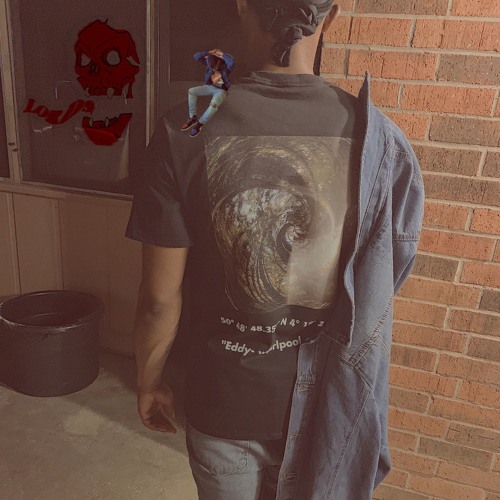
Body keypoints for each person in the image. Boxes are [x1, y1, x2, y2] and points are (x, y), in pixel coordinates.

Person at [126, 0, 424, 499]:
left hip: (224, 402)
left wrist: (149, 380)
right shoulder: (378, 141)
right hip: (328, 405)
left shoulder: (186, 126)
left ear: (243, 5)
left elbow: (158, 300)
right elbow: (384, 277)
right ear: (331, 16)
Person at [181, 48, 234, 137]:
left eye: (214, 67)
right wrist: (209, 52)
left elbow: (231, 61)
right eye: (211, 67)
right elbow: (196, 56)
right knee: (191, 91)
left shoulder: (225, 66)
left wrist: (221, 54)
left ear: (218, 61)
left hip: (221, 90)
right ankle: (193, 117)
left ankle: (200, 124)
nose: (213, 69)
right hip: (210, 87)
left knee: (213, 104)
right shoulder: (209, 63)